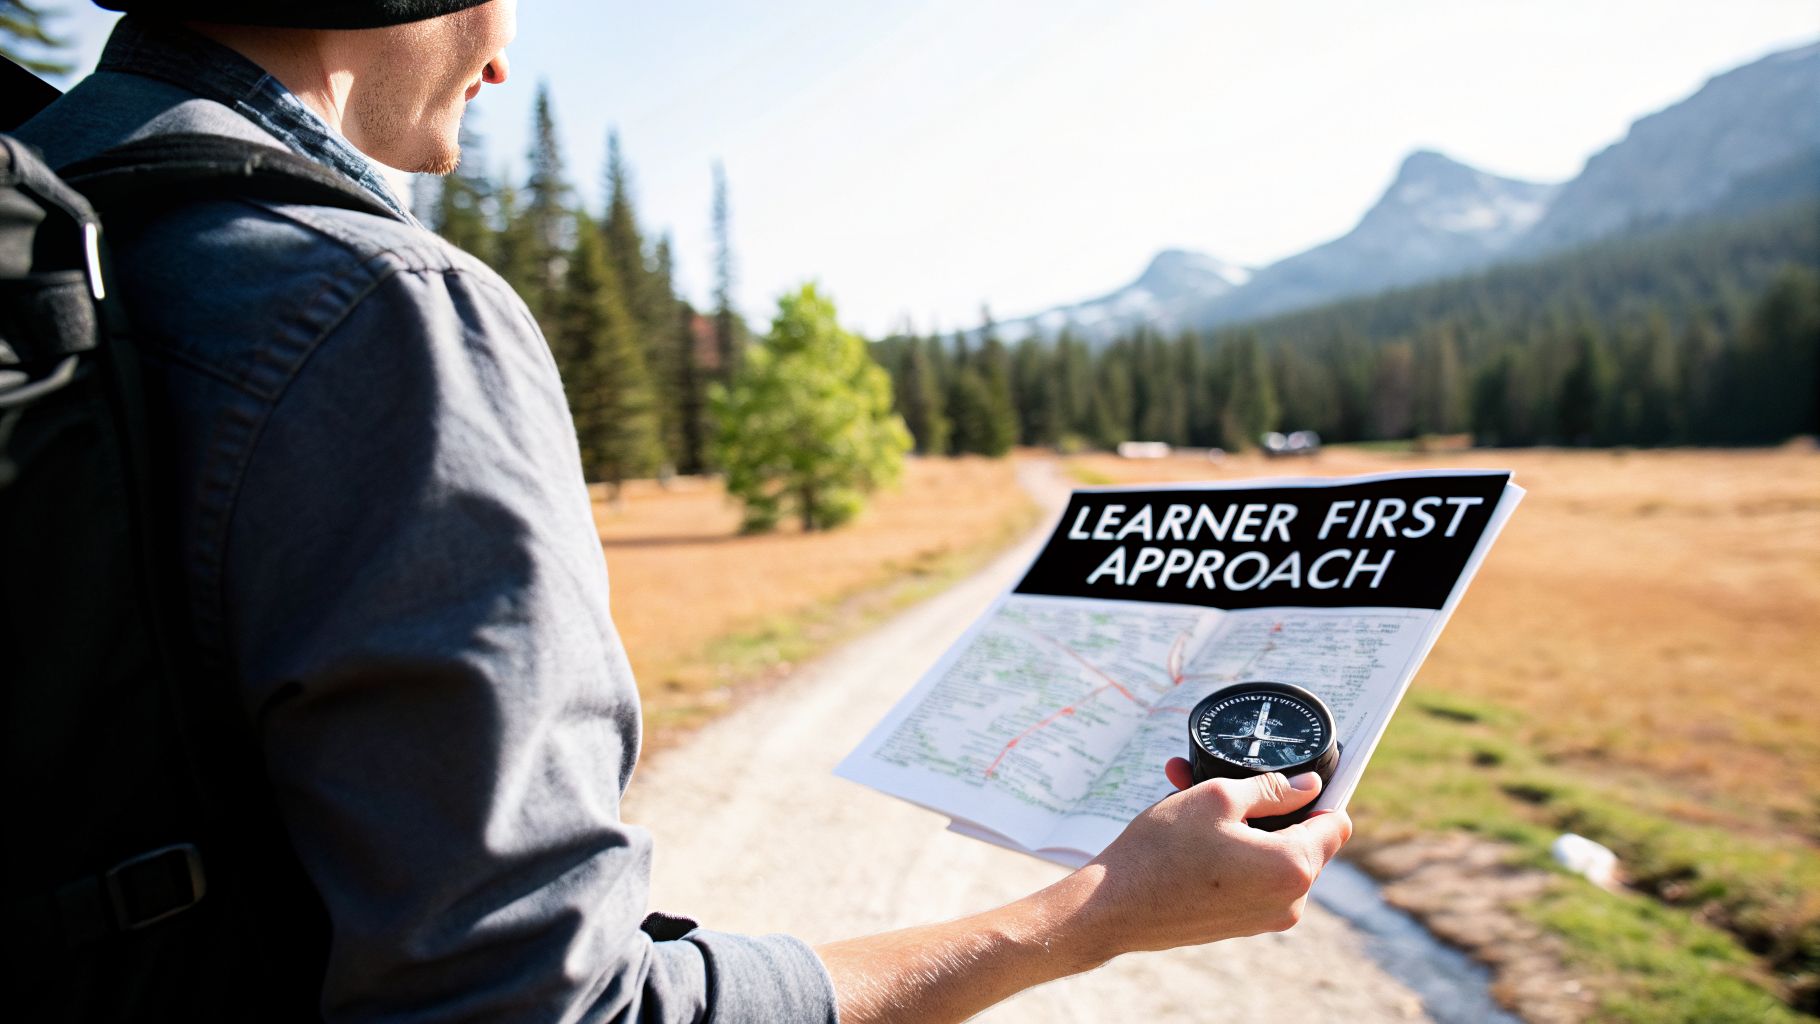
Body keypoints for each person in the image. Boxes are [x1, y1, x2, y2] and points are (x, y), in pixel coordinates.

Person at [14, 2, 1352, 1020]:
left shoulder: (43, 234)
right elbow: (546, 1001)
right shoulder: (377, 310)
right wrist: (1090, 914)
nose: (499, 59)